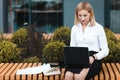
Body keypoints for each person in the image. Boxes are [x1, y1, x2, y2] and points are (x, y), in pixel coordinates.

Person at [64, 2, 109, 80]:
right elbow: (72, 47)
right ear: (77, 15)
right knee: (68, 75)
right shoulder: (75, 28)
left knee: (78, 76)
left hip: (94, 58)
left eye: (85, 15)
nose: (82, 18)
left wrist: (94, 57)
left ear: (90, 14)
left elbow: (106, 50)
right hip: (77, 58)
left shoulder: (98, 28)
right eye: (80, 15)